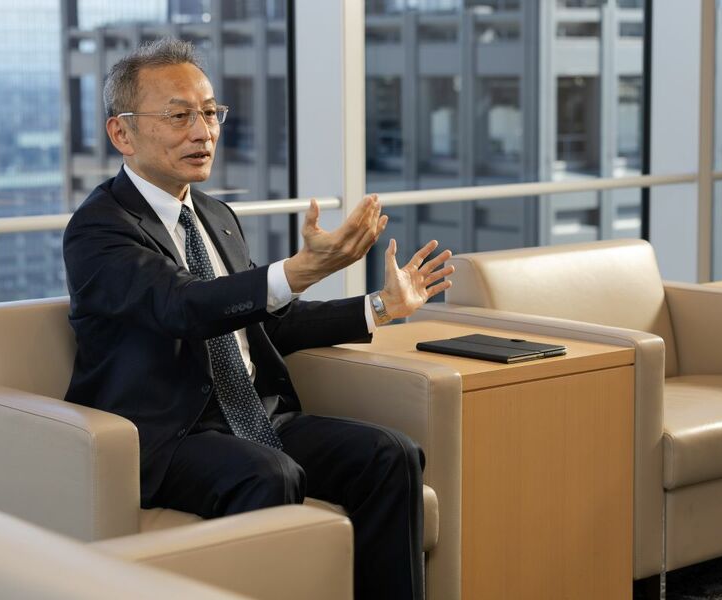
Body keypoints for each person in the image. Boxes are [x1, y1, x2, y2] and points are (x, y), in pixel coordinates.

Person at [63, 38, 453, 600]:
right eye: (179, 116)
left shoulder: (216, 215)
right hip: (168, 434)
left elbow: (268, 320)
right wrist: (297, 270)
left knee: (391, 454)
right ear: (122, 133)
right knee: (269, 474)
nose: (203, 132)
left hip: (255, 413)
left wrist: (379, 307)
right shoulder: (99, 228)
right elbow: (183, 306)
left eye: (209, 112)